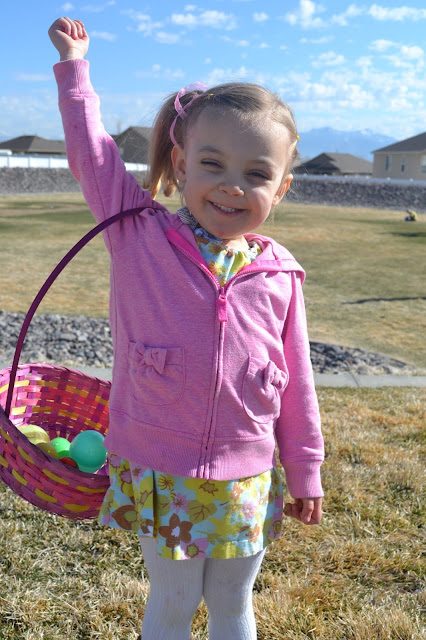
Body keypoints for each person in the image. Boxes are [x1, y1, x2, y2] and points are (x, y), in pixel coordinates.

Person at [48, 16, 325, 640]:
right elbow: (91, 156)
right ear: (179, 163)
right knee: (173, 601)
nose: (232, 186)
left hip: (247, 474)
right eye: (212, 163)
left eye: (257, 174)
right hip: (161, 469)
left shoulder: (280, 273)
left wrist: (305, 469)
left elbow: (298, 382)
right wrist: (75, 68)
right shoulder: (136, 233)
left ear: (281, 188)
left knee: (233, 603)